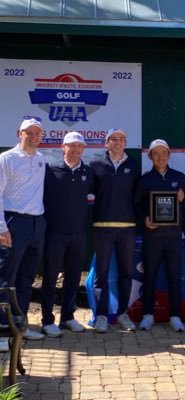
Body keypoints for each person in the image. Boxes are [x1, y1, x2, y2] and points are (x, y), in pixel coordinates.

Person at [41, 132, 94, 337]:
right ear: (63, 147)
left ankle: (68, 318)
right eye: (71, 146)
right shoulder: (50, 170)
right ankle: (47, 320)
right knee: (50, 278)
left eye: (79, 146)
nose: (75, 149)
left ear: (84, 149)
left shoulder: (88, 172)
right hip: (54, 234)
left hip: (78, 234)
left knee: (73, 277)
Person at [0, 116, 47, 344]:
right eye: (29, 132)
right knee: (6, 277)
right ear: (20, 132)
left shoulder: (40, 159)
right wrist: (2, 227)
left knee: (27, 277)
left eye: (38, 133)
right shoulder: (6, 159)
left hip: (37, 223)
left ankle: (20, 324)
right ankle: (1, 330)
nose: (34, 137)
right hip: (13, 222)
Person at [90, 128, 140, 333]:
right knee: (101, 274)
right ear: (106, 143)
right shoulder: (95, 164)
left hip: (127, 229)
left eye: (122, 139)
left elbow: (139, 198)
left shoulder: (133, 165)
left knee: (126, 274)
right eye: (114, 139)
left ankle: (122, 313)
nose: (118, 142)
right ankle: (101, 315)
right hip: (102, 228)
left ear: (125, 142)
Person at [135, 139, 185, 332]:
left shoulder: (180, 178)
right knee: (150, 276)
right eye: (155, 153)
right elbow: (137, 205)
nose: (160, 157)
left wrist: (183, 199)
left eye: (163, 153)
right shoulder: (144, 179)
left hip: (173, 236)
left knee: (174, 276)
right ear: (150, 157)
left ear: (169, 155)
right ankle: (148, 315)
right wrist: (145, 219)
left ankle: (175, 315)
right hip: (153, 236)